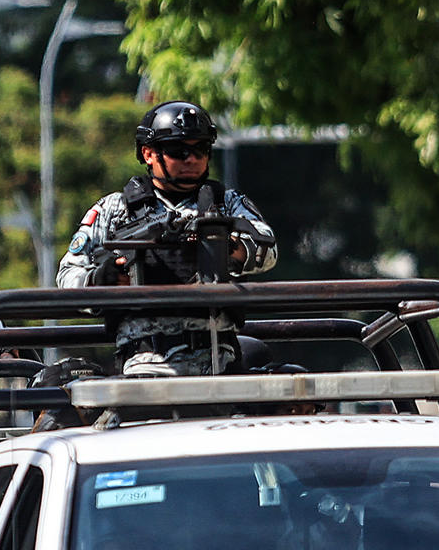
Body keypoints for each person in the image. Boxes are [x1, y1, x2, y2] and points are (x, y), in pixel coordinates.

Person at [57, 101, 277, 376]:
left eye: (201, 149)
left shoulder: (226, 203)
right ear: (148, 153)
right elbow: (67, 275)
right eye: (178, 150)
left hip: (219, 362)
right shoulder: (115, 209)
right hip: (144, 363)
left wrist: (228, 249)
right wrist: (104, 280)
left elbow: (268, 247)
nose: (191, 159)